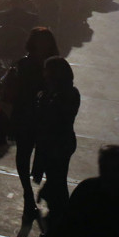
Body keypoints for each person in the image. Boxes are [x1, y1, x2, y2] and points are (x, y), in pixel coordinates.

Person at [2, 27, 60, 219]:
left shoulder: (30, 64)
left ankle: (35, 185)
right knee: (24, 153)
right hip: (29, 114)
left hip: (38, 115)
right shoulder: (35, 64)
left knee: (37, 154)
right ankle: (28, 191)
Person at [33, 56, 80, 221]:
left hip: (57, 145)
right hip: (61, 143)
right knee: (57, 180)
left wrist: (42, 101)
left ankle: (60, 220)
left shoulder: (60, 96)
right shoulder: (68, 92)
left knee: (57, 184)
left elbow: (52, 119)